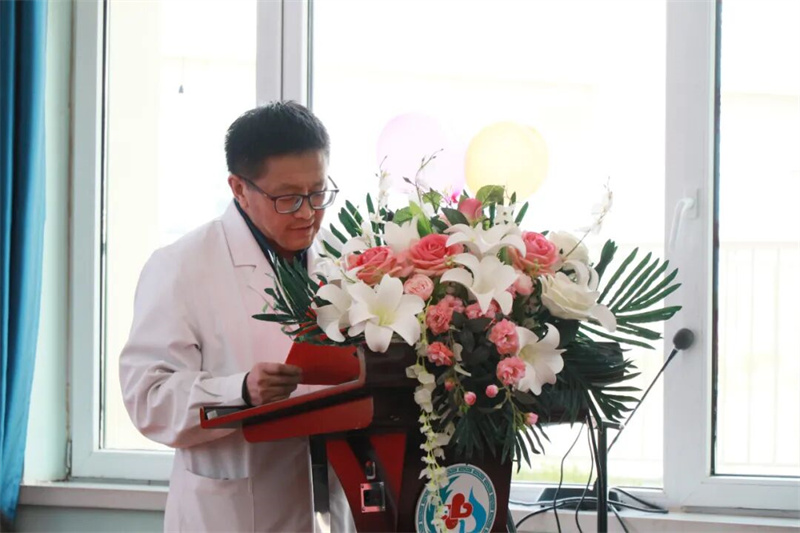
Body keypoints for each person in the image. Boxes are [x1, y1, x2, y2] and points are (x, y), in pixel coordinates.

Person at [119, 102, 353, 532]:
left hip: (330, 506)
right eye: (287, 198)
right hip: (229, 515)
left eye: (318, 193)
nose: (307, 212)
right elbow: (149, 400)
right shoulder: (182, 266)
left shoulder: (341, 264)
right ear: (239, 188)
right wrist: (240, 390)